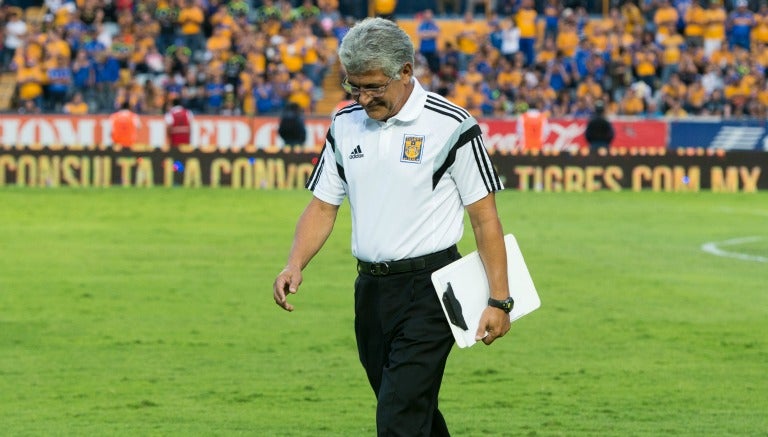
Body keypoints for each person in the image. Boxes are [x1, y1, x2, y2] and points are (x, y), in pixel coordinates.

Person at [272, 17, 512, 436]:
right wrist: (295, 263)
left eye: (374, 86)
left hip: (432, 290)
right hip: (370, 291)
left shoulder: (451, 125)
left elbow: (484, 216)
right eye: (354, 87)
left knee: (398, 416)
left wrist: (500, 299)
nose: (363, 98)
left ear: (406, 71)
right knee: (407, 407)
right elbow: (323, 205)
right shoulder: (344, 125)